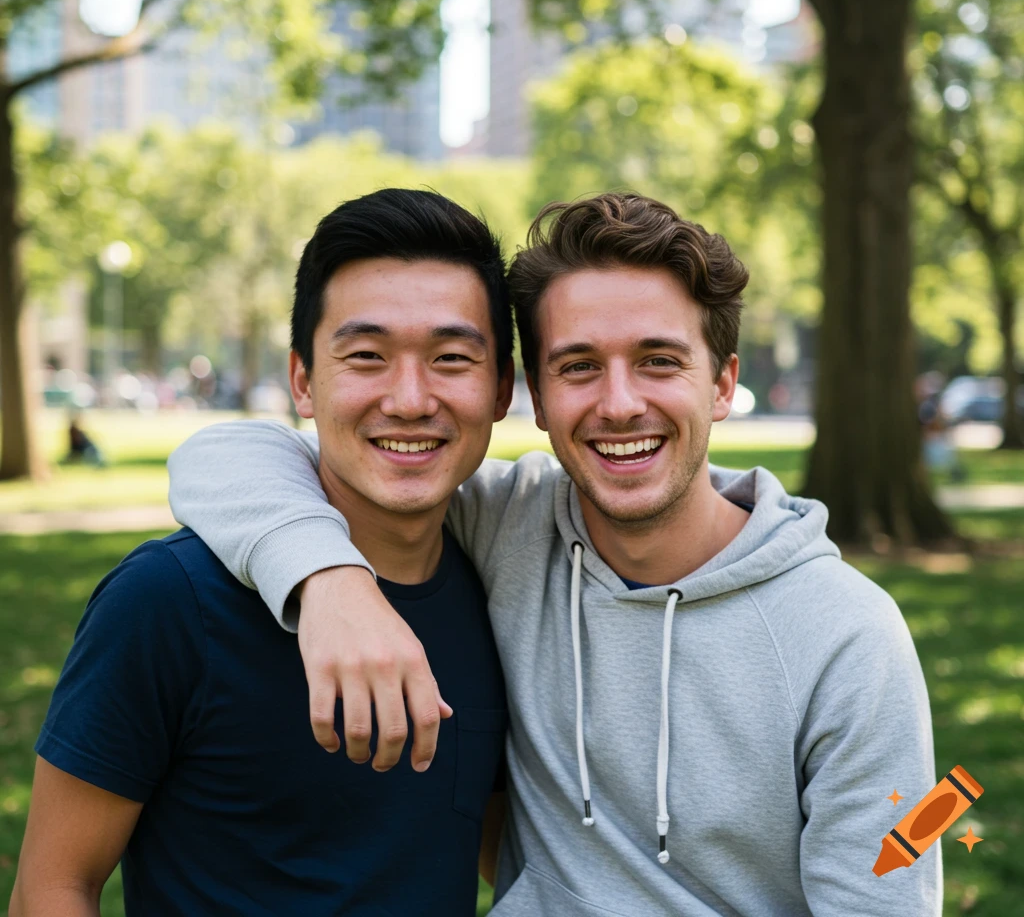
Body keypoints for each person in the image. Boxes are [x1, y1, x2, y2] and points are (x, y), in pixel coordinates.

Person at [167, 193, 940, 916]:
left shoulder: (852, 636)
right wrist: (331, 582)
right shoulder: (508, 523)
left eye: (659, 362)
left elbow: (888, 894)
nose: (619, 403)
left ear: (722, 384)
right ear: (531, 391)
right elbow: (221, 456)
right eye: (578, 367)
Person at [11, 189, 515, 917]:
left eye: (452, 358)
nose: (410, 398)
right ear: (303, 380)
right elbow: (52, 888)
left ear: (501, 387)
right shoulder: (168, 600)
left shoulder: (504, 588)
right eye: (367, 356)